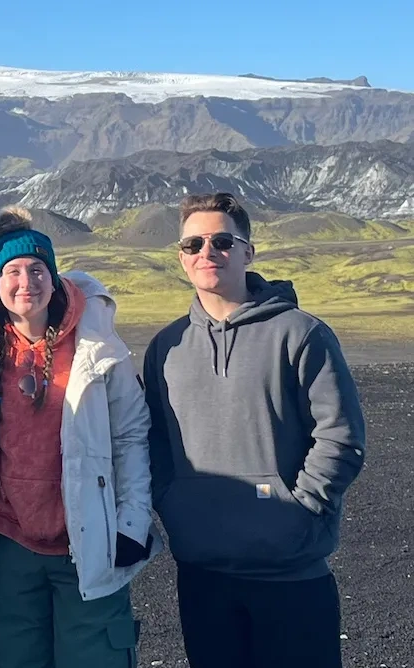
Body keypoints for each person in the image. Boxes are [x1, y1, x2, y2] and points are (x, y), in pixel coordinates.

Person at [143, 193, 366, 668]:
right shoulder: (166, 347)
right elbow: (154, 439)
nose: (208, 252)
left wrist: (300, 508)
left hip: (291, 574)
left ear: (248, 252)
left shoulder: (301, 333)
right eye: (193, 243)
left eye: (223, 241)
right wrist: (172, 500)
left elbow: (340, 436)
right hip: (202, 571)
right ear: (181, 258)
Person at [0, 208, 160, 668]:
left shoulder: (98, 346)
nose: (25, 281)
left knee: (97, 658)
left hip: (89, 536)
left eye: (36, 268)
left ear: (53, 274)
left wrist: (132, 522)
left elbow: (130, 435)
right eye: (11, 271)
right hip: (10, 544)